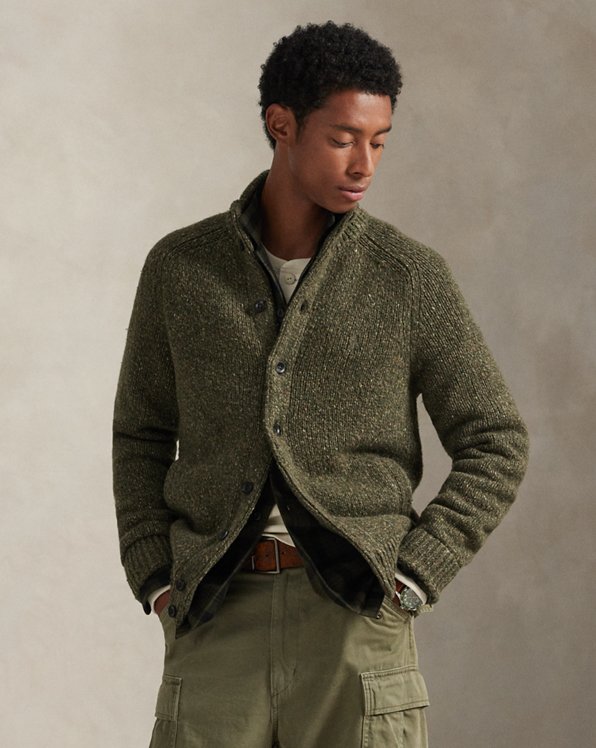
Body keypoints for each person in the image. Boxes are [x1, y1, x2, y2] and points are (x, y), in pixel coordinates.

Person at [112, 21, 529, 748]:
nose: (365, 163)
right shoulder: (181, 270)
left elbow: (496, 439)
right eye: (343, 139)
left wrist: (415, 575)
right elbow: (141, 432)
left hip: (358, 621)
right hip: (215, 617)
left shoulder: (407, 277)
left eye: (380, 141)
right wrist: (154, 574)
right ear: (282, 125)